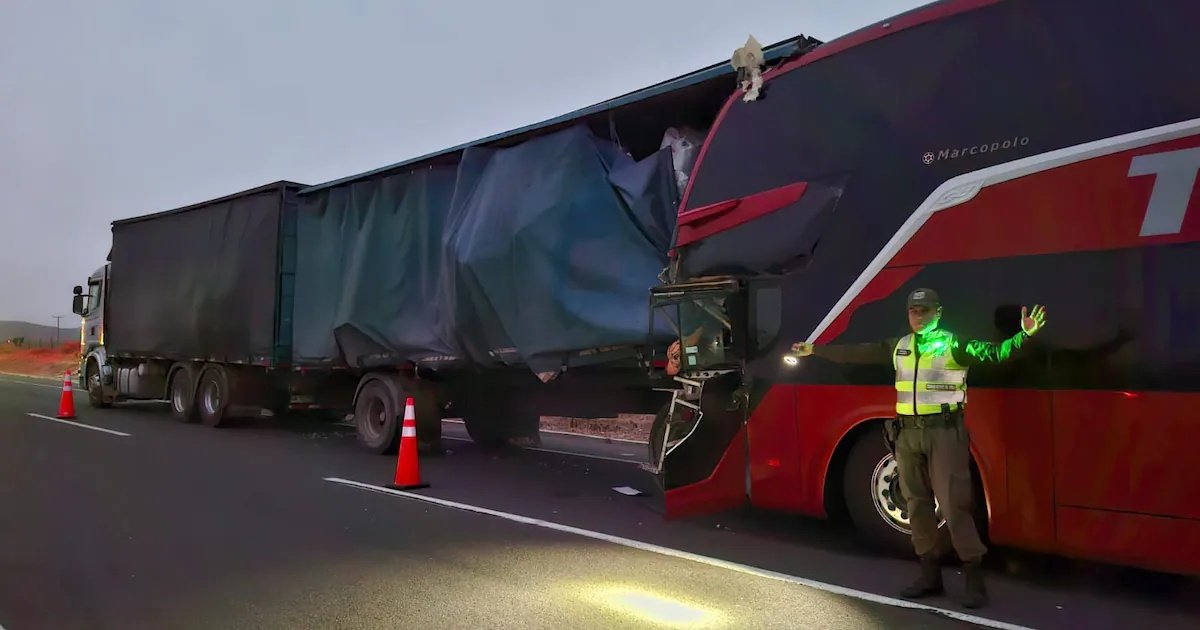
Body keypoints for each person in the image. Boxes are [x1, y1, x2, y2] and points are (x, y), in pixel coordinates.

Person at [788, 288, 1046, 609]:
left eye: (924, 311)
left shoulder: (952, 344)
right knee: (917, 507)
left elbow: (996, 353)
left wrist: (1024, 336)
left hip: (944, 433)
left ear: (938, 313)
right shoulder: (901, 347)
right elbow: (858, 353)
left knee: (953, 505)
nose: (918, 316)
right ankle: (930, 577)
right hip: (907, 434)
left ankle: (974, 581)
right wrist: (815, 350)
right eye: (913, 311)